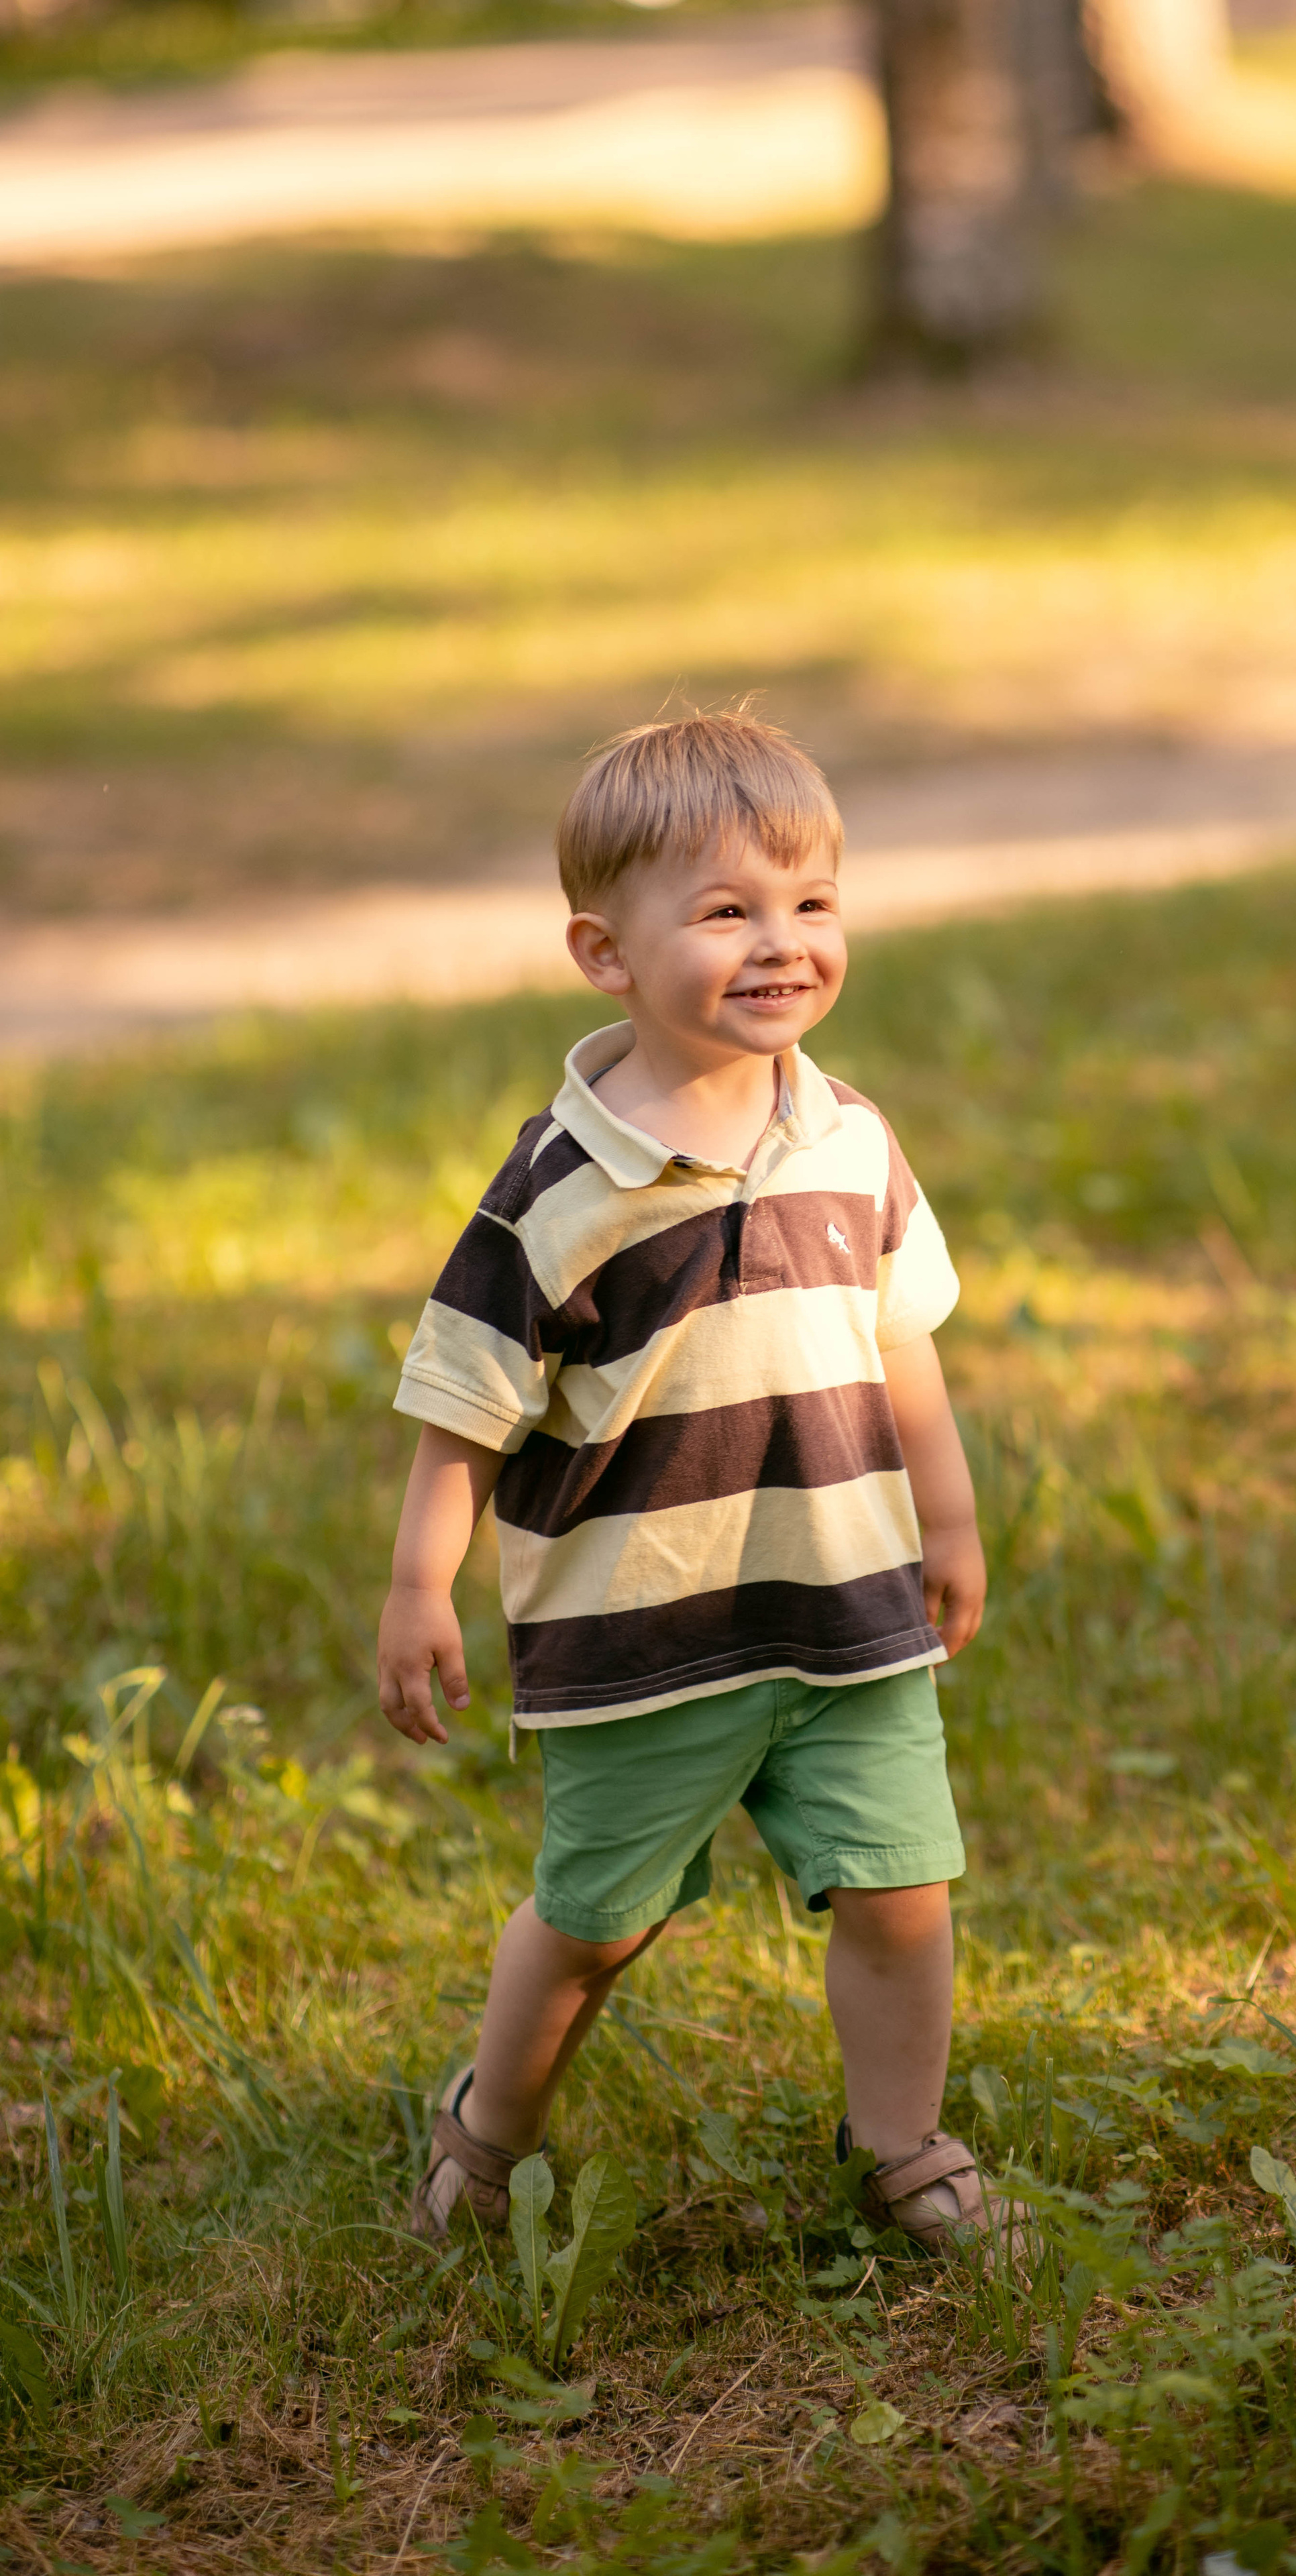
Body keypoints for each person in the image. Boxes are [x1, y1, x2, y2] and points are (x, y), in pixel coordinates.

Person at [376, 710, 1013, 2257]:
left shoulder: (852, 1138)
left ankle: (900, 2145)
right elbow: (464, 1406)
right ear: (605, 952)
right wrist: (417, 1587)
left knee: (901, 1890)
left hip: (847, 1605)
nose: (778, 944)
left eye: (809, 905)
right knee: (600, 1921)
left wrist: (948, 1516)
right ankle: (488, 2132)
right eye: (725, 910)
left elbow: (898, 1341)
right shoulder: (560, 1188)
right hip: (640, 1631)